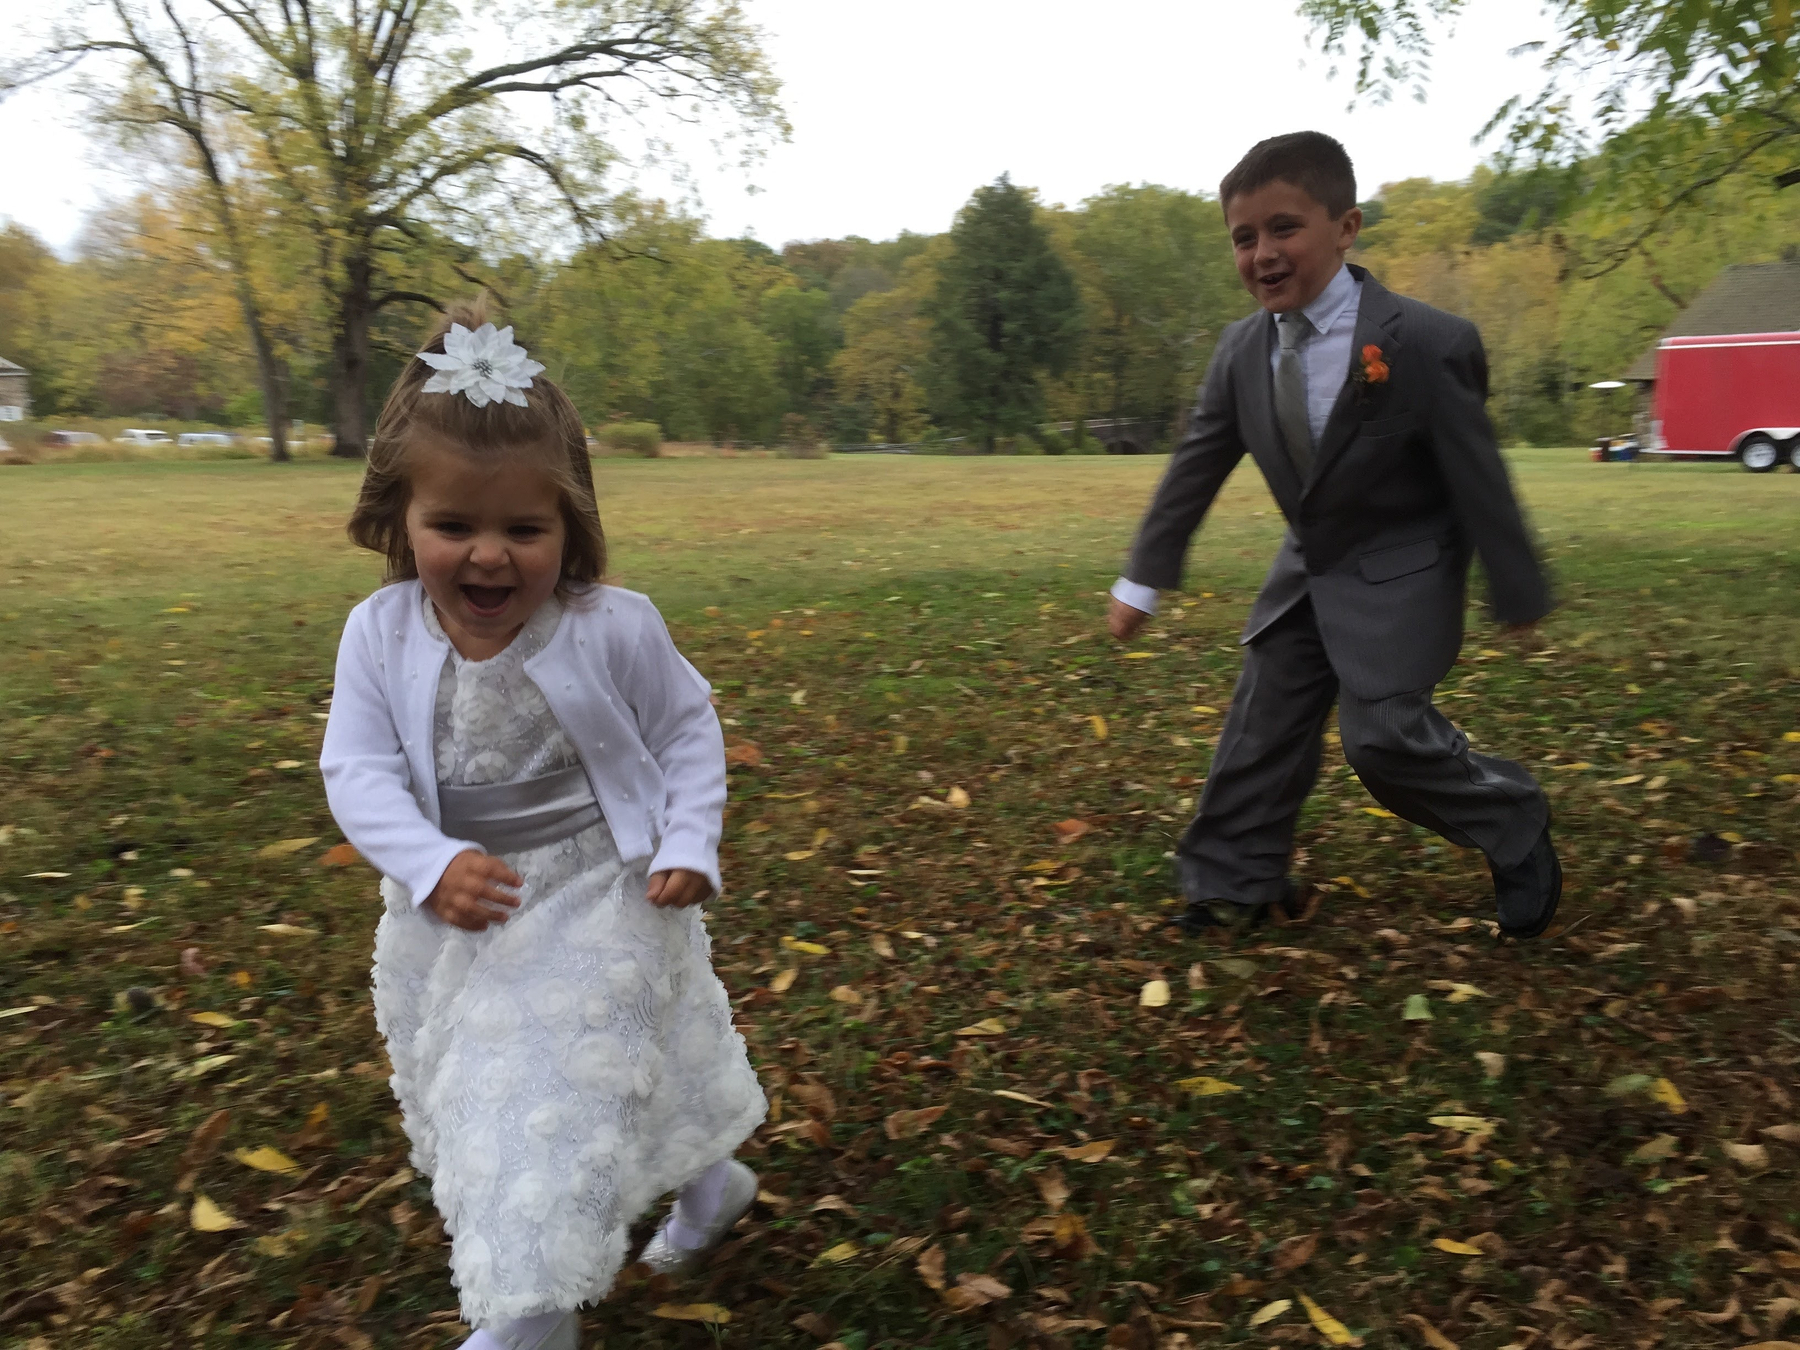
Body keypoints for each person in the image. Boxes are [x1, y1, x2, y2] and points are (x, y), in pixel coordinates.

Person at [320, 305, 767, 1350]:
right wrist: (427, 862)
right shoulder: (378, 635)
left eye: (524, 530)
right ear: (399, 519)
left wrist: (689, 839)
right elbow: (356, 768)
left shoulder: (614, 627)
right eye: (453, 526)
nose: (489, 556)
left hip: (598, 886)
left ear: (570, 524)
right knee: (622, 1064)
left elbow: (687, 728)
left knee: (540, 1088)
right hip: (460, 902)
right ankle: (713, 1185)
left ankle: (530, 1318)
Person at [1108, 132, 1561, 941]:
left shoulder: (1425, 341)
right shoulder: (1240, 351)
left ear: (1346, 227)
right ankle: (1235, 882)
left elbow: (1477, 473)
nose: (1262, 253)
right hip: (1308, 566)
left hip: (1403, 563)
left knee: (1382, 739)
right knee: (1263, 720)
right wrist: (1143, 578)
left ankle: (1512, 821)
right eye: (1243, 237)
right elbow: (1194, 468)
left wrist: (1515, 585)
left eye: (1284, 228)